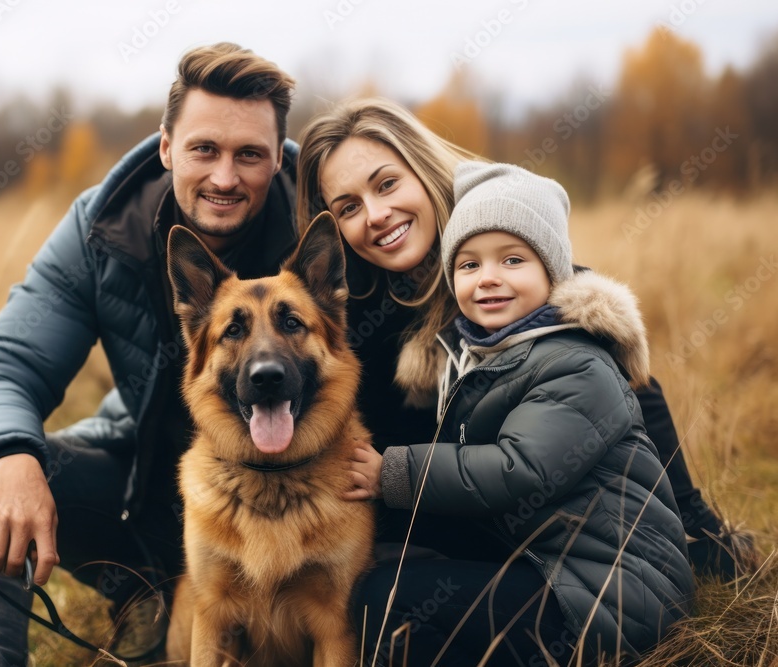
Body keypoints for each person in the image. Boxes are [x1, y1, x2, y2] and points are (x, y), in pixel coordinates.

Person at [294, 99, 720, 664]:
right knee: (382, 593)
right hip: (483, 541)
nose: (374, 214)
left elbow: (623, 395)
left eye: (387, 184)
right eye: (348, 206)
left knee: (394, 602)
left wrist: (700, 530)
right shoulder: (358, 308)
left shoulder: (510, 266)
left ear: (422, 170)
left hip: (566, 561)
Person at [0, 42, 299, 665]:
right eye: (204, 149)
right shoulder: (101, 229)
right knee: (6, 464)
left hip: (295, 515)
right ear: (165, 146)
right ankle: (114, 604)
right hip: (146, 495)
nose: (225, 177)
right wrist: (9, 455)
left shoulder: (327, 219)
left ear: (279, 158)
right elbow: (5, 365)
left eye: (250, 155)